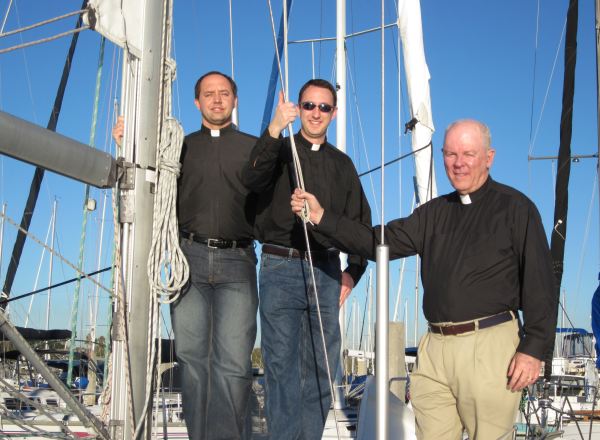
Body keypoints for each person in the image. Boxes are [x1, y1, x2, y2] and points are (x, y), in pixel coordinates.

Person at [291, 119, 558, 439]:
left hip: (489, 347)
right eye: (450, 154)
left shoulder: (517, 209)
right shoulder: (432, 214)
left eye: (468, 154)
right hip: (433, 351)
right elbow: (378, 242)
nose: (458, 163)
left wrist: (534, 347)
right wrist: (322, 217)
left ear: (489, 157)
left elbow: (540, 282)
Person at [113, 71, 258, 440]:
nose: (217, 100)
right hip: (187, 258)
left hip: (238, 263)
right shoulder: (178, 148)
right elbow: (149, 180)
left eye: (224, 93)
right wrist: (127, 145)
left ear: (235, 99)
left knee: (235, 365)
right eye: (209, 94)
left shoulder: (253, 149)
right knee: (192, 363)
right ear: (197, 102)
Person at [242, 79, 371, 439]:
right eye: (309, 106)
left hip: (326, 270)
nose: (316, 113)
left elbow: (362, 225)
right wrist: (273, 129)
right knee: (281, 368)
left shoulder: (343, 166)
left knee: (322, 367)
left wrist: (353, 273)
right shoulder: (279, 150)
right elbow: (250, 179)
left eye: (323, 107)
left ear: (334, 112)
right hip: (279, 265)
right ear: (298, 109)